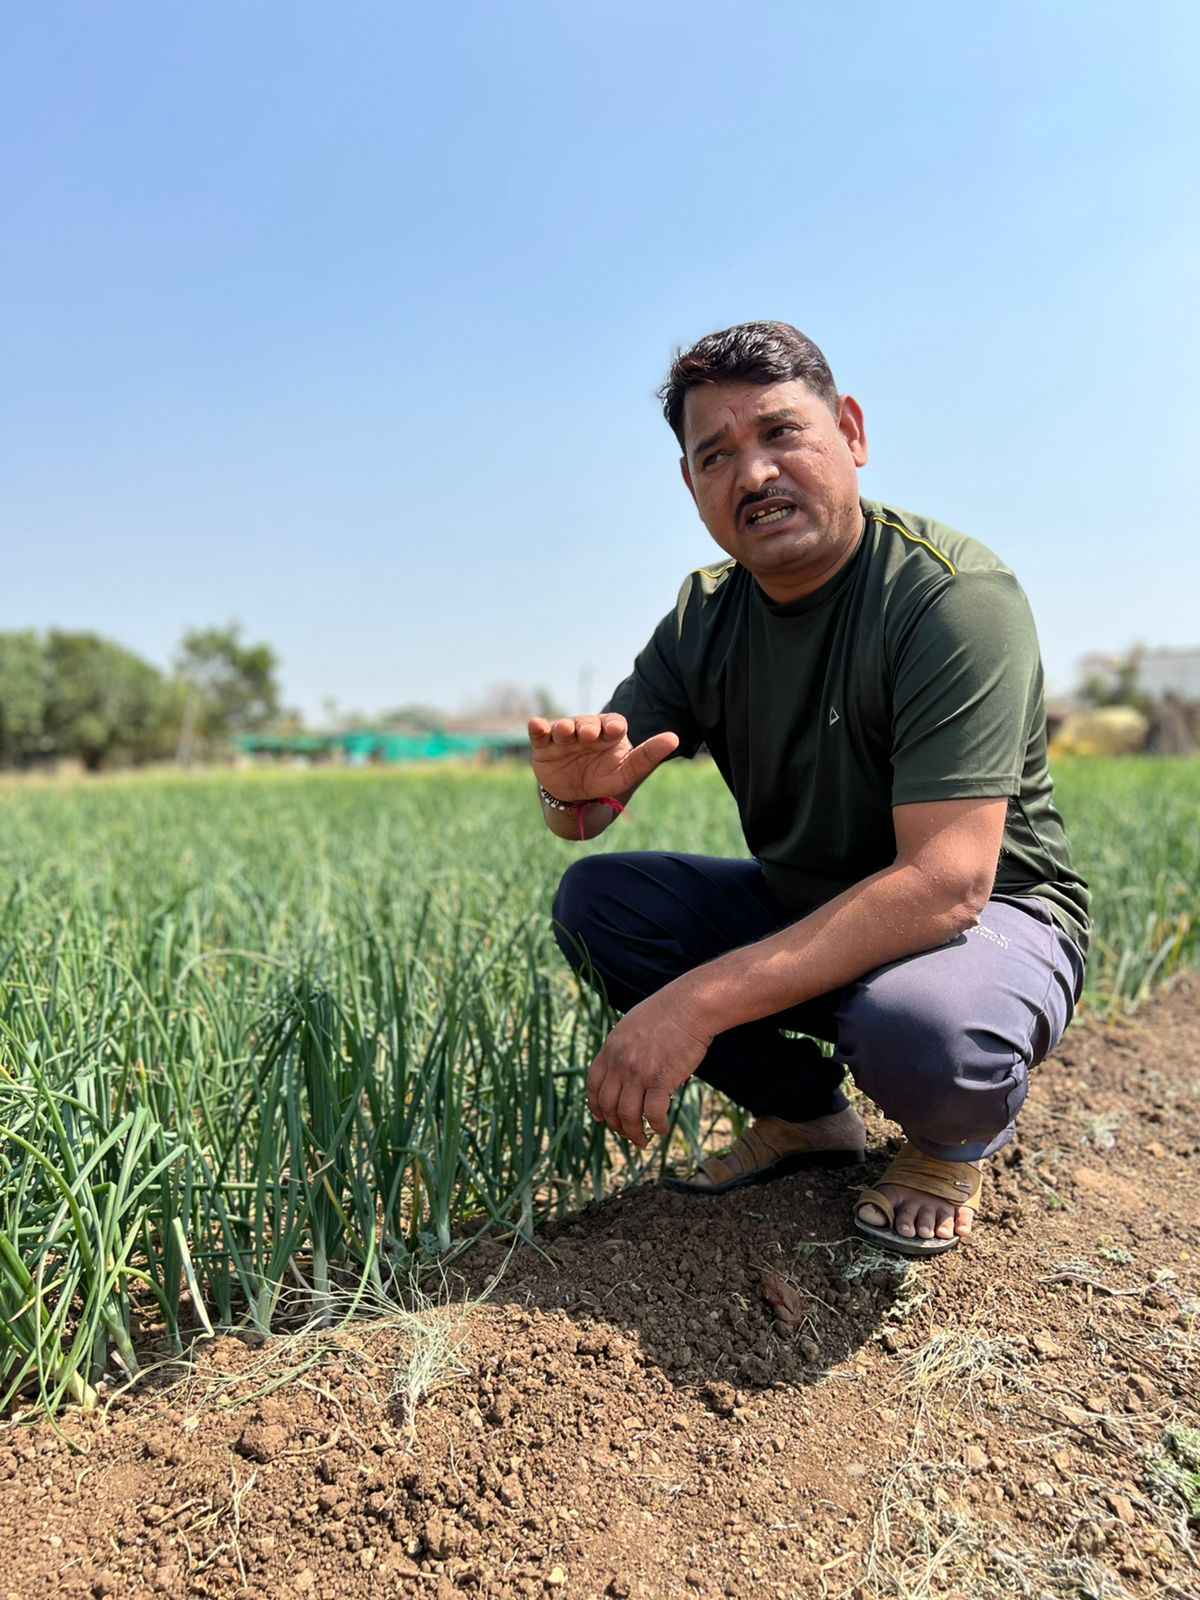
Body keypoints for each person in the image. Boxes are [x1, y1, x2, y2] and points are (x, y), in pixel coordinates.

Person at [529, 321, 1088, 1257]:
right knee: (602, 904)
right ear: (692, 485)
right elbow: (586, 813)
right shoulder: (704, 619)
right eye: (718, 455)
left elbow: (947, 885)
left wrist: (696, 1003)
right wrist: (567, 799)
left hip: (992, 917)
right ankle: (810, 1119)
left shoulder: (951, 601)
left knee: (923, 1026)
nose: (753, 475)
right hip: (812, 906)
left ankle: (949, 1141)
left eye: (781, 434)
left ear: (852, 434)